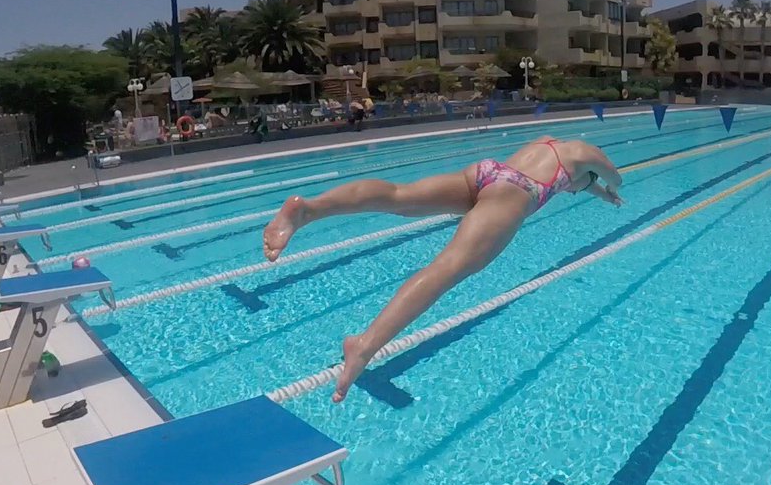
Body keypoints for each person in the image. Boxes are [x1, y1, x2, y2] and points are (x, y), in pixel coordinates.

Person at [262, 136, 623, 402]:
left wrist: (599, 191)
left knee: (399, 195)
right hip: (515, 194)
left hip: (488, 173)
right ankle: (364, 345)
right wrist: (611, 185)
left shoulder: (551, 145)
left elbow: (578, 180)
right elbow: (614, 176)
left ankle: (309, 209)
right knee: (448, 268)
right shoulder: (588, 153)